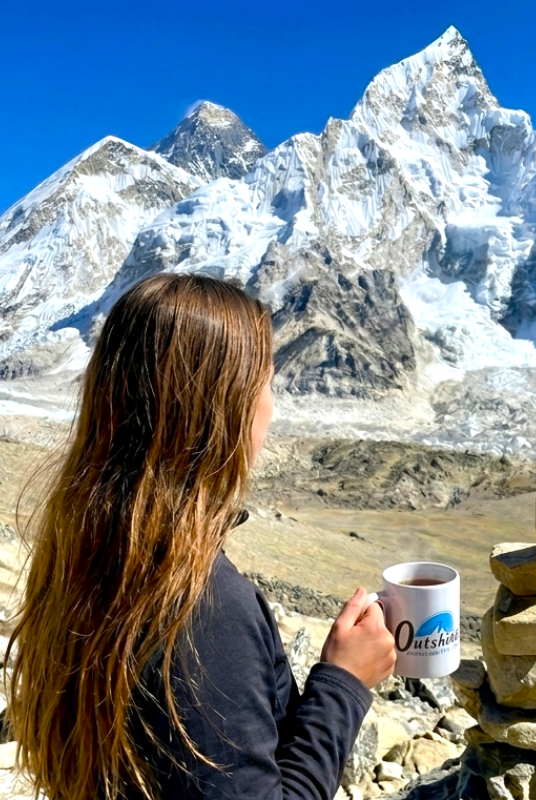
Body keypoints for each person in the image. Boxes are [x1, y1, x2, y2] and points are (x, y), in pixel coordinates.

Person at [4, 274, 396, 800]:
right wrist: (344, 683)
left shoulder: (92, 549)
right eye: (265, 385)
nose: (271, 408)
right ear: (222, 409)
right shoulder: (203, 607)